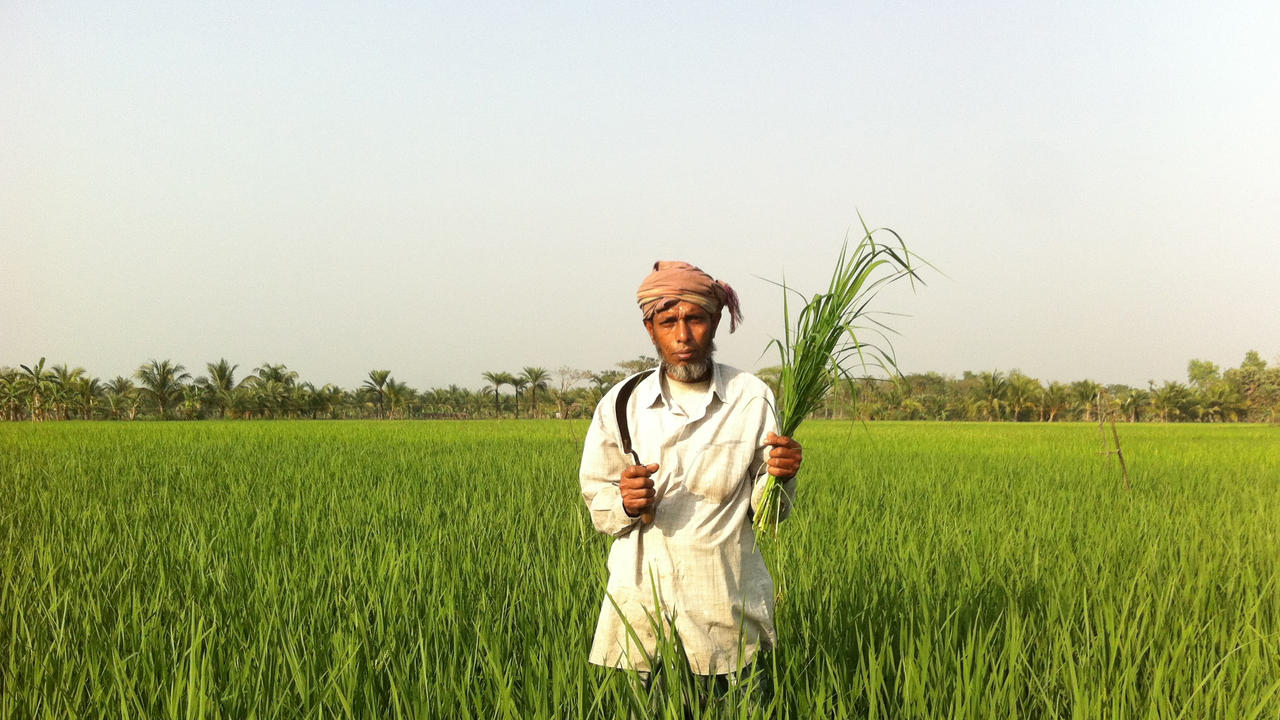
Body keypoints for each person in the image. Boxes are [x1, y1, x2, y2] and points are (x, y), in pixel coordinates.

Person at [579, 260, 803, 696]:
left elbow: (769, 515)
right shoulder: (623, 402)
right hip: (639, 616)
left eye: (695, 319)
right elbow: (598, 507)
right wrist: (626, 501)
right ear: (650, 328)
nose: (683, 335)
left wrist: (782, 476)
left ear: (715, 321)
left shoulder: (751, 398)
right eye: (668, 321)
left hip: (725, 614)